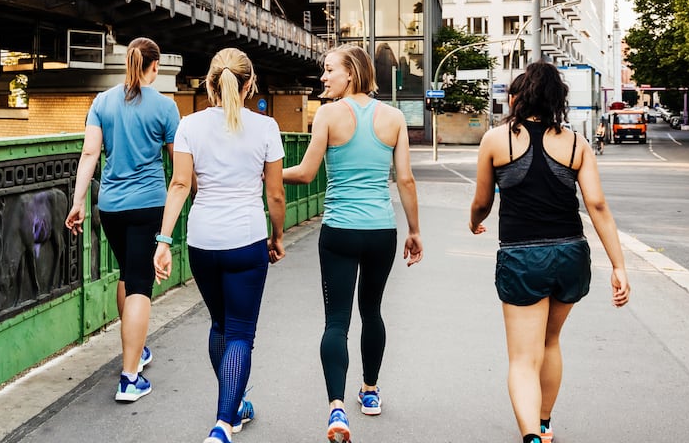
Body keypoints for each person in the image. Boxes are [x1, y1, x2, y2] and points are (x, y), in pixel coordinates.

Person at [468, 62, 631, 443]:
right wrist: (619, 266)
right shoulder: (577, 144)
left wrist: (473, 220)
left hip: (523, 257)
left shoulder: (496, 140)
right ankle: (542, 422)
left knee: (523, 359)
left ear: (516, 99)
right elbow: (598, 205)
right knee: (550, 342)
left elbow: (481, 201)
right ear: (559, 100)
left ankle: (532, 437)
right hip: (571, 254)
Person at [282, 44, 424, 443]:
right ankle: (371, 391)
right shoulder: (394, 117)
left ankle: (336, 408)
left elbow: (307, 173)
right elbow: (406, 181)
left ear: (352, 73)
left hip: (340, 230)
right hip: (382, 231)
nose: (323, 77)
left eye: (329, 70)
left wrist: (268, 170)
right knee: (373, 310)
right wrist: (414, 230)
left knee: (336, 321)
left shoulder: (328, 115)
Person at [153, 48, 287, 443]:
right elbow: (275, 195)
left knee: (219, 326)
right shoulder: (266, 127)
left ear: (210, 84)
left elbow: (179, 185)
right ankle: (223, 424)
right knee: (242, 334)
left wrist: (163, 241)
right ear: (250, 85)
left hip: (202, 241)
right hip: (246, 240)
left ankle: (235, 405)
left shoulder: (189, 125)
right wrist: (277, 236)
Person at [66, 37, 180, 403]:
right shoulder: (165, 107)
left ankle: (136, 350)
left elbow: (89, 154)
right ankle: (130, 377)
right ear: (155, 65)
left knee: (128, 275)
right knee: (141, 286)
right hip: (148, 205)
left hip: (110, 207)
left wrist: (78, 200)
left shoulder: (102, 101)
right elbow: (179, 166)